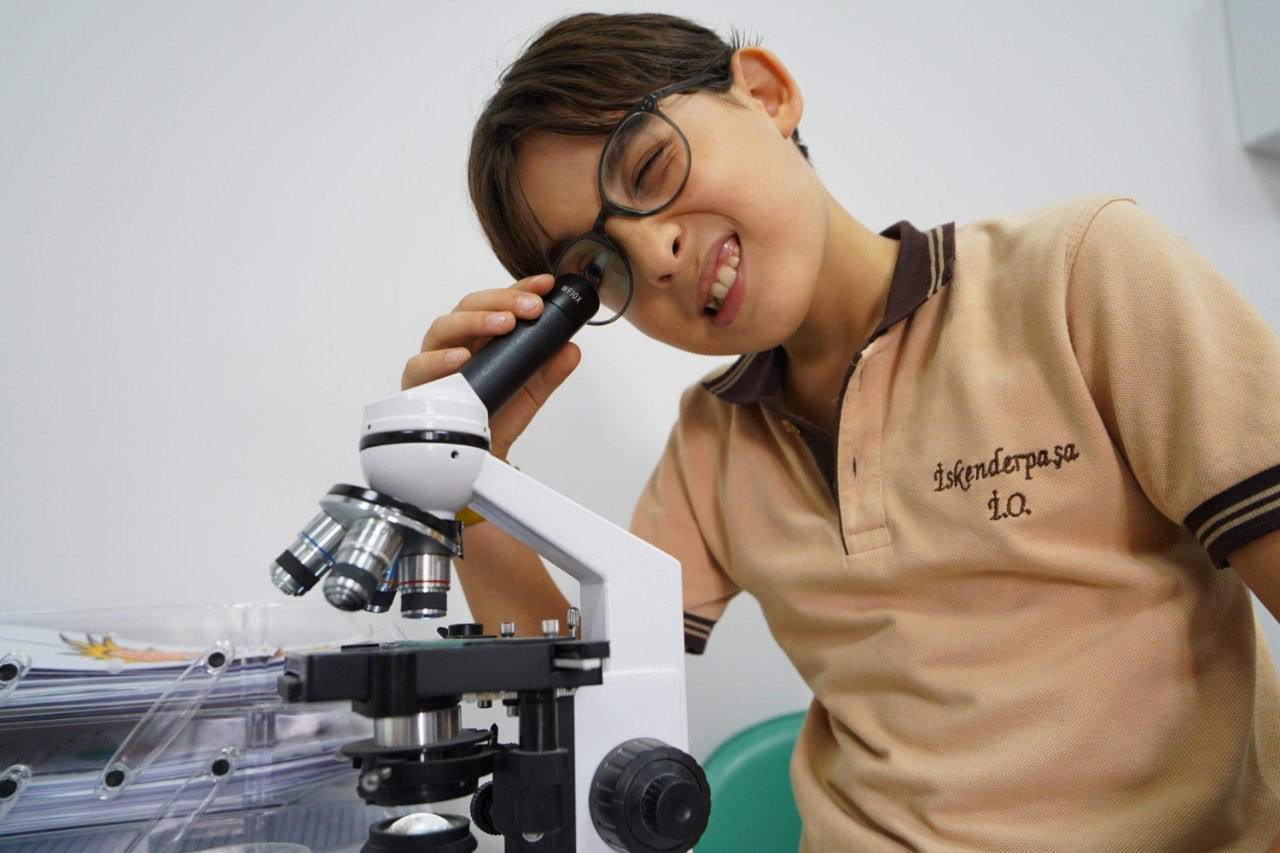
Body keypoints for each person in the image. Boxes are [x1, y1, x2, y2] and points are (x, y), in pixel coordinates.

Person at [402, 12, 1280, 851]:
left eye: (650, 167)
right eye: (600, 266)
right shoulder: (711, 439)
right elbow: (590, 703)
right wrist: (469, 471)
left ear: (766, 94)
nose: (655, 254)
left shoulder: (1078, 276)